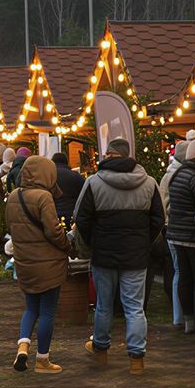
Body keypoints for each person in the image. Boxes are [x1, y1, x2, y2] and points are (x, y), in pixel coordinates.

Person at [74, 138, 165, 375]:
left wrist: (93, 243)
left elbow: (81, 218)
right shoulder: (149, 183)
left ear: (109, 156)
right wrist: (143, 242)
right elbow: (159, 220)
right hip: (136, 256)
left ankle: (101, 350)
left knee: (103, 306)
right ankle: (136, 359)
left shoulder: (94, 183)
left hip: (104, 255)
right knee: (134, 307)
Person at [5, 156, 71, 373]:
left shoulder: (14, 195)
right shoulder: (44, 197)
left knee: (31, 308)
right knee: (48, 311)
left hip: (25, 262)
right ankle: (43, 359)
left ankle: (23, 347)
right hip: (48, 263)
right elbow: (53, 231)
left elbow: (11, 227)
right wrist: (66, 243)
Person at [168, 136, 195, 335]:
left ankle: (187, 321)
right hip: (192, 235)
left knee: (184, 278)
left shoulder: (178, 174)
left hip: (176, 234)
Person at [160, 139, 189, 330]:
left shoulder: (169, 175)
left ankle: (179, 316)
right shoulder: (177, 176)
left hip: (172, 227)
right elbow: (167, 205)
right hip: (177, 228)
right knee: (179, 272)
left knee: (177, 271)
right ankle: (180, 316)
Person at [51, 152, 86, 227]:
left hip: (53, 214)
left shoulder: (49, 176)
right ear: (67, 162)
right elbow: (84, 194)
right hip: (72, 214)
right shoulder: (75, 176)